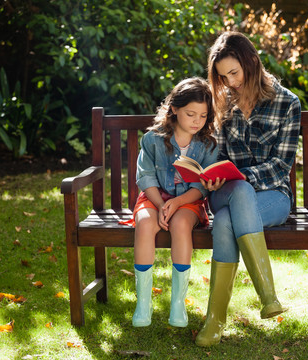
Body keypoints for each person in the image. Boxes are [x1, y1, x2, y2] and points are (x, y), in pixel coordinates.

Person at [195, 31, 301, 346]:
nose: (229, 82)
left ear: (251, 62)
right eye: (222, 76)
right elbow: (216, 154)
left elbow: (281, 166)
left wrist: (242, 177)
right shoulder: (223, 101)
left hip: (274, 196)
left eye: (234, 73)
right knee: (239, 192)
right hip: (225, 190)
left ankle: (213, 321)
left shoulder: (286, 103)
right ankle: (267, 297)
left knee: (227, 219)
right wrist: (211, 173)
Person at [126, 77, 218, 328]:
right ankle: (143, 303)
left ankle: (178, 303)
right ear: (174, 109)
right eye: (190, 114)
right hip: (154, 198)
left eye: (203, 115)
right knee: (144, 224)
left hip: (188, 202)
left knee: (180, 225)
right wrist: (160, 205)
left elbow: (201, 187)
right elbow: (145, 176)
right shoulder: (153, 139)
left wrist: (177, 203)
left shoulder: (207, 144)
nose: (197, 121)